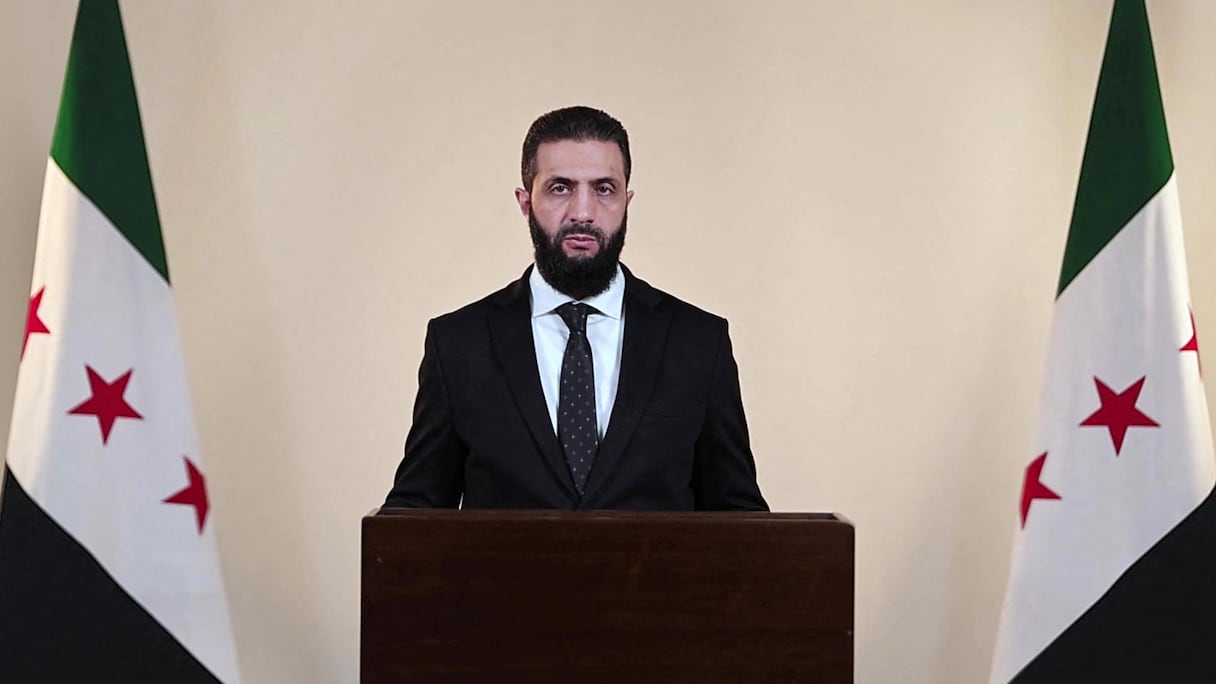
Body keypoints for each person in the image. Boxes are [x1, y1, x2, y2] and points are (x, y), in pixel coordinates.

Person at [384, 106, 767, 511]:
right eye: (560, 188)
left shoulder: (699, 342)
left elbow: (739, 519)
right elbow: (414, 516)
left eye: (604, 189)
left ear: (626, 201)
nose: (583, 213)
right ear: (525, 201)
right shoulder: (458, 344)